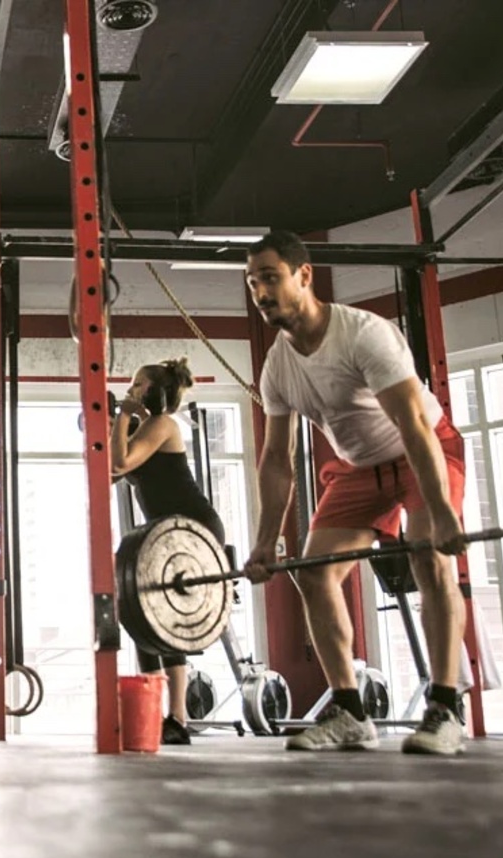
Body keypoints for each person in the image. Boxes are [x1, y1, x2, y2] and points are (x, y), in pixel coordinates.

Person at [243, 230, 469, 756]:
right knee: (313, 574)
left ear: (304, 275)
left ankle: (444, 706)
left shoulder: (364, 334)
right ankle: (349, 711)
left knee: (430, 559)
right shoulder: (278, 365)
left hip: (422, 448)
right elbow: (276, 462)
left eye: (270, 278)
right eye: (253, 284)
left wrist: (439, 514)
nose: (261, 293)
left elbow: (413, 425)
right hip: (358, 469)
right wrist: (263, 542)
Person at [109, 358, 226, 746]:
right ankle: (155, 709)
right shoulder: (143, 428)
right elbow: (111, 469)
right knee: (138, 613)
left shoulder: (162, 425)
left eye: (139, 384)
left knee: (166, 617)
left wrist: (124, 416)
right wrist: (120, 418)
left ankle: (178, 717)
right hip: (162, 534)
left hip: (192, 528)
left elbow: (120, 461)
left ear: (157, 393)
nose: (132, 390)